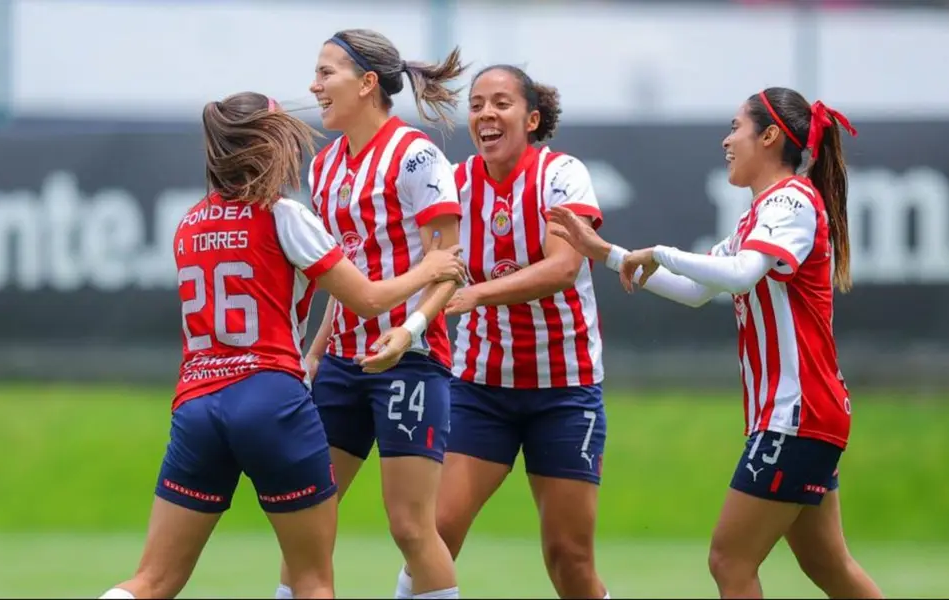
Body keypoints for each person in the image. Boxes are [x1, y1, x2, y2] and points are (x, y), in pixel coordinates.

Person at [98, 91, 466, 600]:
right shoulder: (284, 216)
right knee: (314, 579)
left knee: (153, 580)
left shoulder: (189, 225)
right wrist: (428, 269)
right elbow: (365, 299)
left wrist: (316, 352)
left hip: (197, 404)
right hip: (271, 398)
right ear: (268, 144)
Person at [548, 87, 884, 600]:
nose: (726, 141)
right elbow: (697, 290)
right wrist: (610, 255)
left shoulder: (791, 201)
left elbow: (741, 275)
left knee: (730, 560)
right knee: (827, 565)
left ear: (769, 136)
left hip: (798, 416)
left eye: (736, 128)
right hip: (803, 414)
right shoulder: (758, 217)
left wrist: (659, 251)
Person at [391, 65, 611, 600]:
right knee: (434, 534)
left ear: (531, 118)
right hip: (479, 389)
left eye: (501, 104)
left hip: (564, 391)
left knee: (569, 558)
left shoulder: (562, 174)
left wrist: (476, 294)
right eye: (477, 104)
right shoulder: (456, 182)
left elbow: (563, 267)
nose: (486, 114)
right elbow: (418, 260)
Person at [273, 28, 467, 600]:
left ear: (366, 83)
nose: (314, 85)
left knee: (410, 526)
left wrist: (407, 332)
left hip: (412, 361)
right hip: (342, 363)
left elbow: (447, 264)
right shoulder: (326, 166)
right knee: (308, 521)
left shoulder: (417, 156)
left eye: (326, 72)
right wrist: (312, 355)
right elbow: (346, 277)